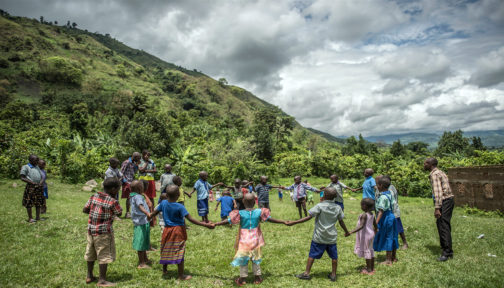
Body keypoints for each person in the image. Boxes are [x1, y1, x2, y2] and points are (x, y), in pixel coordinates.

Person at [215, 193, 287, 286]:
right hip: (255, 239)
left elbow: (228, 221)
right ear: (254, 202)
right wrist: (284, 222)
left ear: (243, 202)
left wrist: (215, 224)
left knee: (243, 259)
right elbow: (270, 219)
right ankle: (257, 278)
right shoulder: (259, 212)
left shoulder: (240, 213)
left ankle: (242, 279)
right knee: (256, 257)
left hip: (244, 240)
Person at [149, 185, 215, 280]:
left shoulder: (163, 203)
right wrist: (205, 224)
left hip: (166, 230)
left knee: (165, 248)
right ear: (178, 194)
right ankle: (181, 275)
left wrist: (149, 216)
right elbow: (191, 219)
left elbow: (154, 212)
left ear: (166, 195)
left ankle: (164, 270)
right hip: (177, 231)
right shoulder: (180, 207)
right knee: (180, 251)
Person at [286, 187, 350, 282]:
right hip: (331, 237)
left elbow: (308, 217)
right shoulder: (338, 208)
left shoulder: (320, 206)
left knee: (312, 255)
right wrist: (346, 231)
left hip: (319, 236)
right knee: (334, 256)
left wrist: (294, 222)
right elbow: (341, 221)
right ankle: (333, 274)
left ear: (324, 195)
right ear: (335, 197)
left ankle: (306, 273)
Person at [83, 177, 122, 287]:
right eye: (118, 189)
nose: (118, 191)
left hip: (91, 230)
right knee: (103, 255)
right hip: (104, 232)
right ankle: (102, 280)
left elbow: (85, 209)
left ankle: (89, 275)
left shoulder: (94, 196)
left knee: (91, 252)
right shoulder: (112, 201)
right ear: (113, 189)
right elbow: (119, 213)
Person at [424, 157, 454, 262]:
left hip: (444, 201)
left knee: (443, 225)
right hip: (449, 200)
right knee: (442, 224)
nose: (424, 165)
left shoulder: (434, 174)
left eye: (426, 163)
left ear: (431, 164)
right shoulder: (440, 172)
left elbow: (438, 192)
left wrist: (437, 208)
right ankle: (447, 248)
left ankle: (447, 252)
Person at [376, 175, 409, 250]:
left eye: (377, 182)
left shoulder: (390, 188)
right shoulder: (381, 189)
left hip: (392, 212)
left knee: (398, 228)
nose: (376, 184)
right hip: (384, 213)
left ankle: (404, 243)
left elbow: (389, 202)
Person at [373, 176, 399, 265]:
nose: (376, 187)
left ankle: (388, 260)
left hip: (386, 217)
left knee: (388, 237)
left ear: (381, 185)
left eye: (377, 185)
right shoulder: (389, 193)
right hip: (392, 216)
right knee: (393, 235)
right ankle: (393, 257)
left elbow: (380, 212)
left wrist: (375, 223)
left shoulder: (383, 197)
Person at [349, 198, 377, 275]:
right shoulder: (372, 214)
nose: (361, 206)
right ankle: (372, 267)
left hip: (366, 236)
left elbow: (361, 226)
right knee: (370, 250)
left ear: (365, 206)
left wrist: (351, 232)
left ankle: (368, 270)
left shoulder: (364, 215)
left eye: (361, 205)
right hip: (371, 234)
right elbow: (375, 224)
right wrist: (376, 230)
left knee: (367, 251)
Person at [129, 180, 152, 269]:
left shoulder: (133, 196)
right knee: (141, 242)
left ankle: (145, 259)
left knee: (144, 241)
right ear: (139, 188)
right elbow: (140, 206)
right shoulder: (138, 197)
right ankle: (141, 263)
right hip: (141, 222)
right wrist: (147, 213)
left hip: (143, 221)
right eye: (142, 186)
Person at [20, 154, 44, 223]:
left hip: (38, 186)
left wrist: (41, 182)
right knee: (29, 202)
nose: (37, 161)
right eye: (36, 160)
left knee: (38, 202)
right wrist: (31, 182)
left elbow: (42, 176)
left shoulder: (37, 167)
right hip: (31, 187)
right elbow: (22, 177)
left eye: (38, 160)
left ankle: (38, 217)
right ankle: (30, 218)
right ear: (31, 160)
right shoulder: (26, 167)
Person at [121, 152, 141, 218]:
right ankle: (127, 213)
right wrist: (125, 181)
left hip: (132, 182)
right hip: (127, 182)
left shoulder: (133, 163)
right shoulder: (126, 162)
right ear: (134, 157)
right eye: (138, 158)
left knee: (133, 197)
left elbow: (134, 172)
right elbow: (121, 172)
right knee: (129, 197)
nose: (138, 160)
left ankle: (132, 212)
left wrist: (137, 166)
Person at [138, 150, 157, 221]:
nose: (147, 156)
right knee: (142, 195)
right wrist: (146, 163)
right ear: (142, 155)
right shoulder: (139, 161)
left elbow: (155, 170)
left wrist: (146, 171)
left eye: (148, 155)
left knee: (151, 196)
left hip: (151, 180)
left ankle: (153, 211)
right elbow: (141, 170)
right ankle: (143, 211)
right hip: (142, 180)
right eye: (146, 155)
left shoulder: (152, 161)